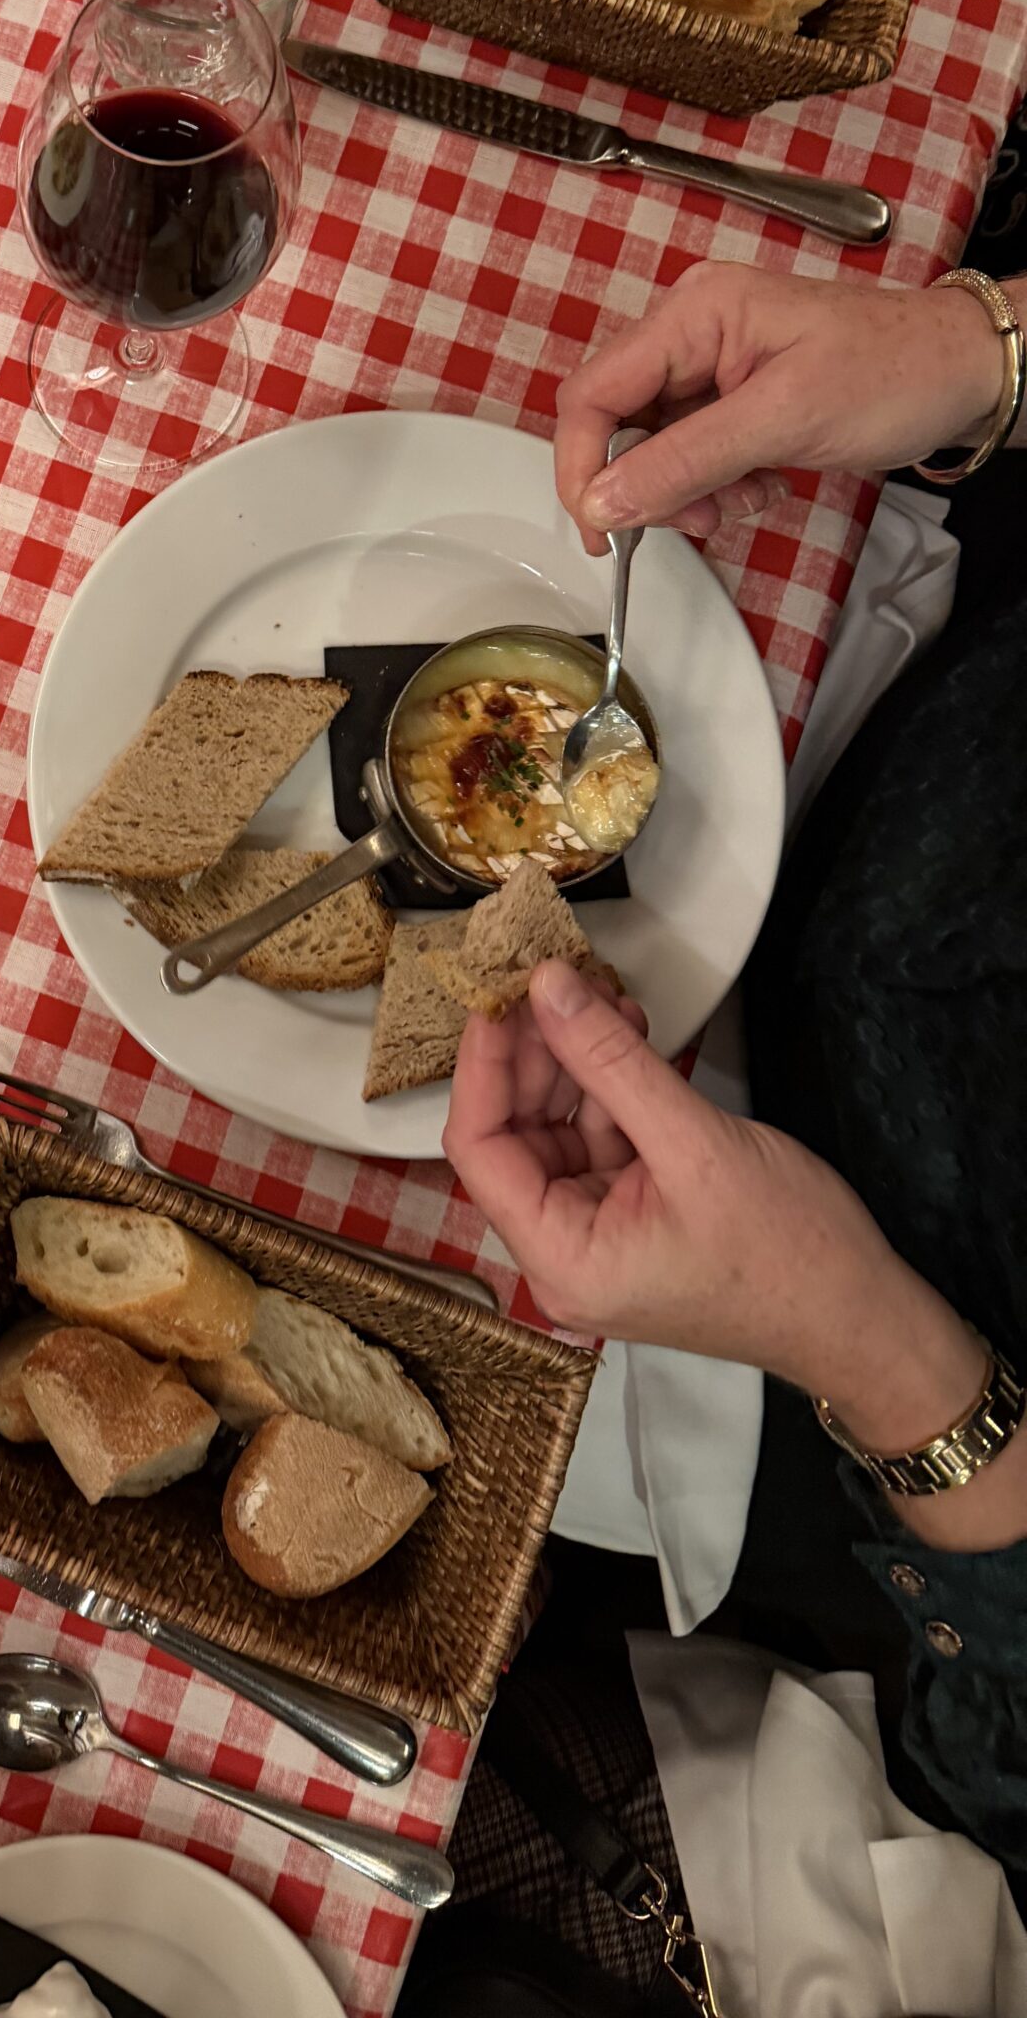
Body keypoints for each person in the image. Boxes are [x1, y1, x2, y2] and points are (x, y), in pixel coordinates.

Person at [444, 257, 1027, 1872]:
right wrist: (983, 345)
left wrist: (880, 1357)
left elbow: (1010, 1782)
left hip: (861, 1374)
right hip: (907, 699)